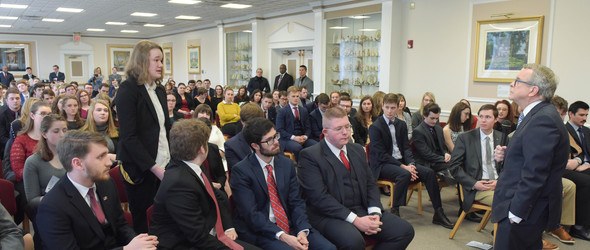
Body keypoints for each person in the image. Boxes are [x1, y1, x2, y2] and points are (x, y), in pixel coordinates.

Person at [298, 107, 415, 249]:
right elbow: (320, 198)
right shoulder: (310, 156)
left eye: (347, 126)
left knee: (404, 231)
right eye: (338, 128)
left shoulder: (357, 150)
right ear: (325, 132)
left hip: (362, 208)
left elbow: (370, 184)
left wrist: (375, 212)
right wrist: (356, 220)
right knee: (353, 241)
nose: (345, 132)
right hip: (329, 215)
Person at [36, 130, 159, 249]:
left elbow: (120, 224)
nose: (109, 163)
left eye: (107, 154)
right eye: (101, 157)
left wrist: (138, 242)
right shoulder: (53, 206)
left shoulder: (106, 183)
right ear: (78, 164)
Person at [491, 64, 569, 249]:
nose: (511, 84)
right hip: (524, 206)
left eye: (517, 81)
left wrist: (516, 213)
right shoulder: (536, 114)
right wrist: (506, 155)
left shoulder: (543, 119)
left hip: (524, 210)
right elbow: (529, 158)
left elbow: (536, 172)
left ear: (533, 90)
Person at [149, 119, 258, 250]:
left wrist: (228, 227)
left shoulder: (191, 166)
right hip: (183, 244)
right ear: (202, 148)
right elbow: (197, 237)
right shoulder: (178, 183)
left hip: (206, 234)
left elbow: (217, 196)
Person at [231, 117, 336, 249]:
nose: (276, 142)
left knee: (328, 248)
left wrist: (302, 230)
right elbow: (252, 215)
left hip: (290, 225)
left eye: (276, 136)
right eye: (269, 140)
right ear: (255, 146)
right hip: (262, 230)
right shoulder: (241, 171)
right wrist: (283, 236)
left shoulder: (286, 164)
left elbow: (296, 201)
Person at [368, 94, 454, 228]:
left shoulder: (401, 124)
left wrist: (411, 164)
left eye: (393, 108)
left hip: (401, 162)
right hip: (383, 164)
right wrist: (404, 167)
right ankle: (395, 210)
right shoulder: (375, 127)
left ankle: (438, 212)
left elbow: (406, 148)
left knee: (429, 173)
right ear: (382, 106)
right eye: (387, 107)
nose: (390, 111)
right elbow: (381, 154)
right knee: (404, 174)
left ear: (398, 108)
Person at [115, 40, 171, 233]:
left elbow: (164, 130)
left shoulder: (160, 89)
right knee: (144, 224)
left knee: (164, 220)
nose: (161, 65)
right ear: (141, 62)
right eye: (156, 60)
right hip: (140, 169)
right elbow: (129, 137)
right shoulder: (128, 89)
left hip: (163, 163)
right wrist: (154, 168)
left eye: (161, 60)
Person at [22, 114, 67, 246]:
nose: (62, 135)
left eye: (65, 130)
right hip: (48, 211)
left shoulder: (72, 156)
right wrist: (57, 198)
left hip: (72, 207)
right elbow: (32, 200)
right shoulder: (33, 162)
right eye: (56, 131)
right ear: (44, 134)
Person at [562, 100, 590, 241]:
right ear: (570, 114)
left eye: (586, 115)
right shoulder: (563, 131)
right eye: (581, 115)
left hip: (585, 166)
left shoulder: (586, 130)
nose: (585, 118)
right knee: (587, 182)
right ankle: (579, 226)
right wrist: (580, 162)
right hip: (567, 168)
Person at [411, 103, 456, 184]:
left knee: (458, 163)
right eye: (432, 118)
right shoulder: (418, 131)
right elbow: (426, 154)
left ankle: (462, 188)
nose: (435, 121)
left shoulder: (438, 129)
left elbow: (443, 147)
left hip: (438, 160)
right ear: (424, 116)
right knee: (454, 165)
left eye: (437, 118)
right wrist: (443, 159)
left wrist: (446, 154)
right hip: (427, 163)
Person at [276, 86, 317, 159]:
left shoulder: (303, 110)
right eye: (293, 96)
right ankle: (301, 166)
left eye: (297, 96)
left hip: (302, 137)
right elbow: (280, 129)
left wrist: (305, 136)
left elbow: (308, 127)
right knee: (297, 147)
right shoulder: (282, 111)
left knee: (316, 145)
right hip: (287, 139)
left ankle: (313, 165)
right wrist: (294, 138)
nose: (296, 98)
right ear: (288, 97)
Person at [224, 103, 264, 171]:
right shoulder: (231, 145)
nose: (254, 127)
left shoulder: (269, 139)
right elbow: (240, 172)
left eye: (258, 123)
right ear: (242, 122)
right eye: (250, 124)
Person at [0, 87, 21, 158]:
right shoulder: (1, 114)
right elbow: (2, 137)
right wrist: (17, 145)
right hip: (7, 149)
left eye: (17, 98)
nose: (15, 101)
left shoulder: (25, 112)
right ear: (6, 100)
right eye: (12, 99)